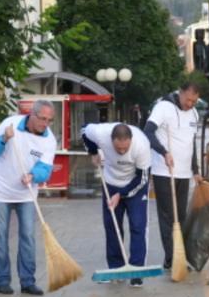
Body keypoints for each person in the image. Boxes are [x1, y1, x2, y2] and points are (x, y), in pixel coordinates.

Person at [0, 101, 58, 295]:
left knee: (28, 236)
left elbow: (45, 168)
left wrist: (33, 176)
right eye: (42, 119)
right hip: (0, 189)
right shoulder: (11, 124)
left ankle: (27, 281)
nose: (45, 124)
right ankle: (2, 281)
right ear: (32, 114)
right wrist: (4, 140)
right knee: (0, 236)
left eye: (49, 120)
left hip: (26, 193)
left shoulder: (49, 140)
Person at [82, 122, 152, 286]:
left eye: (124, 149)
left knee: (137, 226)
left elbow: (142, 179)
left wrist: (121, 194)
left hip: (135, 186)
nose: (121, 152)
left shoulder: (142, 145)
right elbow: (84, 130)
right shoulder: (100, 133)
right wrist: (92, 152)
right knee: (112, 226)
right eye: (117, 148)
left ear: (131, 140)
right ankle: (116, 268)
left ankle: (136, 271)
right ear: (110, 140)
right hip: (111, 182)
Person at [143, 81, 202, 271]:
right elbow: (148, 132)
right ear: (181, 92)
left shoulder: (193, 113)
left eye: (194, 101)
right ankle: (171, 258)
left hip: (184, 173)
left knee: (182, 216)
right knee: (168, 216)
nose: (191, 104)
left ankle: (180, 255)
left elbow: (191, 144)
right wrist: (163, 152)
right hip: (164, 171)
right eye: (188, 100)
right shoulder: (163, 108)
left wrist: (196, 170)